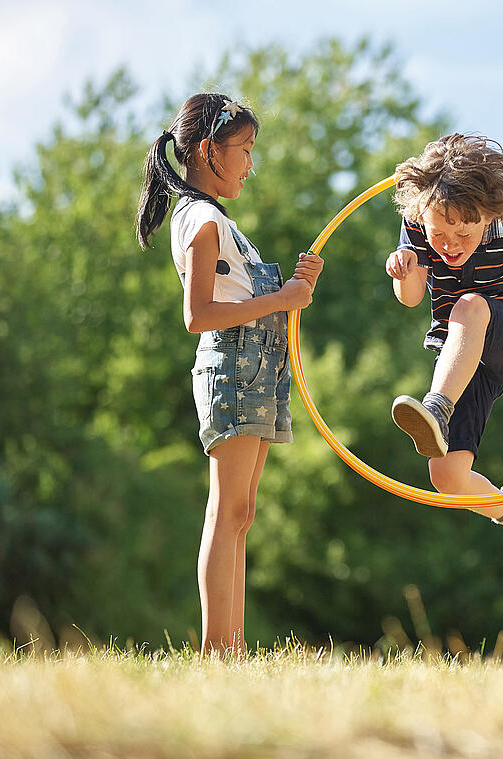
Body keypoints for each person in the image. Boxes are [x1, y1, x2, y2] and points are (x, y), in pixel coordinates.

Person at [135, 93, 324, 657]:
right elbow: (199, 316)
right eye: (243, 150)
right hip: (233, 367)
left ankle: (232, 646)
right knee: (226, 511)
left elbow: (239, 294)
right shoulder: (202, 220)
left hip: (256, 368)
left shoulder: (214, 220)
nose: (249, 163)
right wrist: (282, 299)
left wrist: (293, 289)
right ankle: (219, 649)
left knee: (242, 512)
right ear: (205, 151)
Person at [384, 134, 503, 566]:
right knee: (447, 477)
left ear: (487, 216)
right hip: (463, 360)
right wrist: (403, 273)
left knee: (469, 306)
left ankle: (437, 409)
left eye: (464, 232)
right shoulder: (416, 223)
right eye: (439, 233)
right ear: (422, 218)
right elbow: (411, 297)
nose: (449, 243)